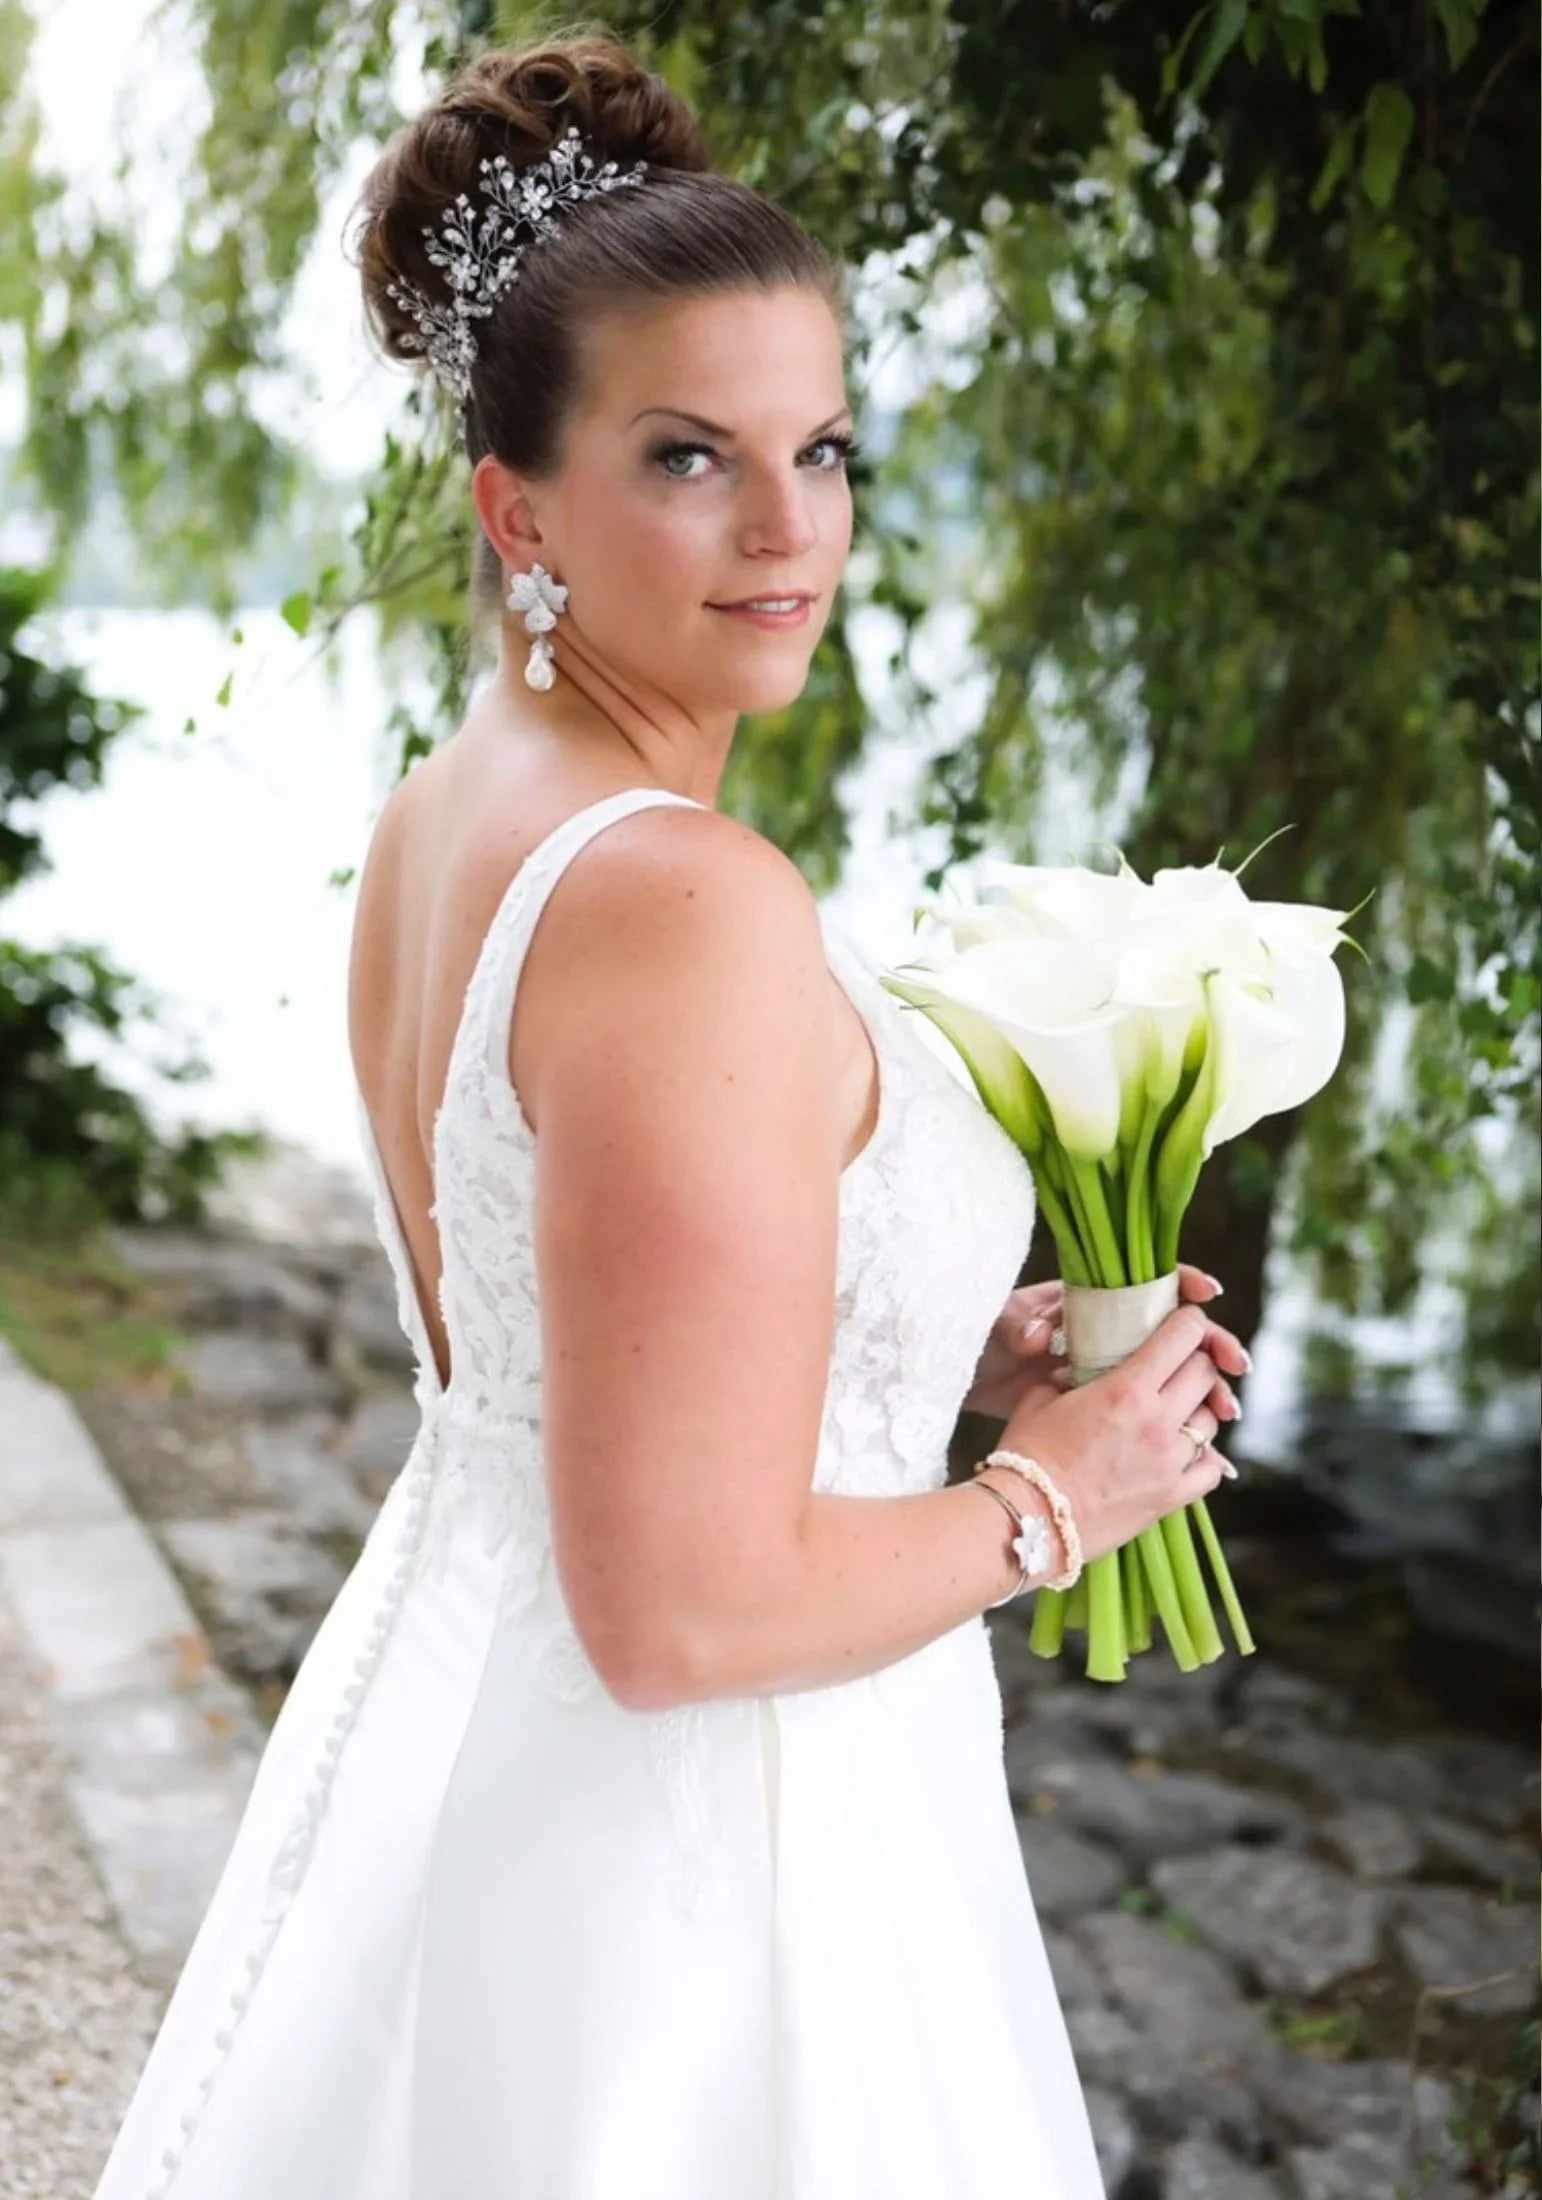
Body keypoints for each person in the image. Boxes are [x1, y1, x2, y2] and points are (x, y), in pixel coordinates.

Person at [92, 33, 1246, 2200]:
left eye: (825, 448)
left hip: (468, 1734)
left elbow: (576, 1335)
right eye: (691, 457)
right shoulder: (686, 896)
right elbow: (680, 1609)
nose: (790, 525)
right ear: (516, 505)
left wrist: (912, 1355)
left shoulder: (445, 826)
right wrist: (1054, 1497)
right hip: (714, 1867)